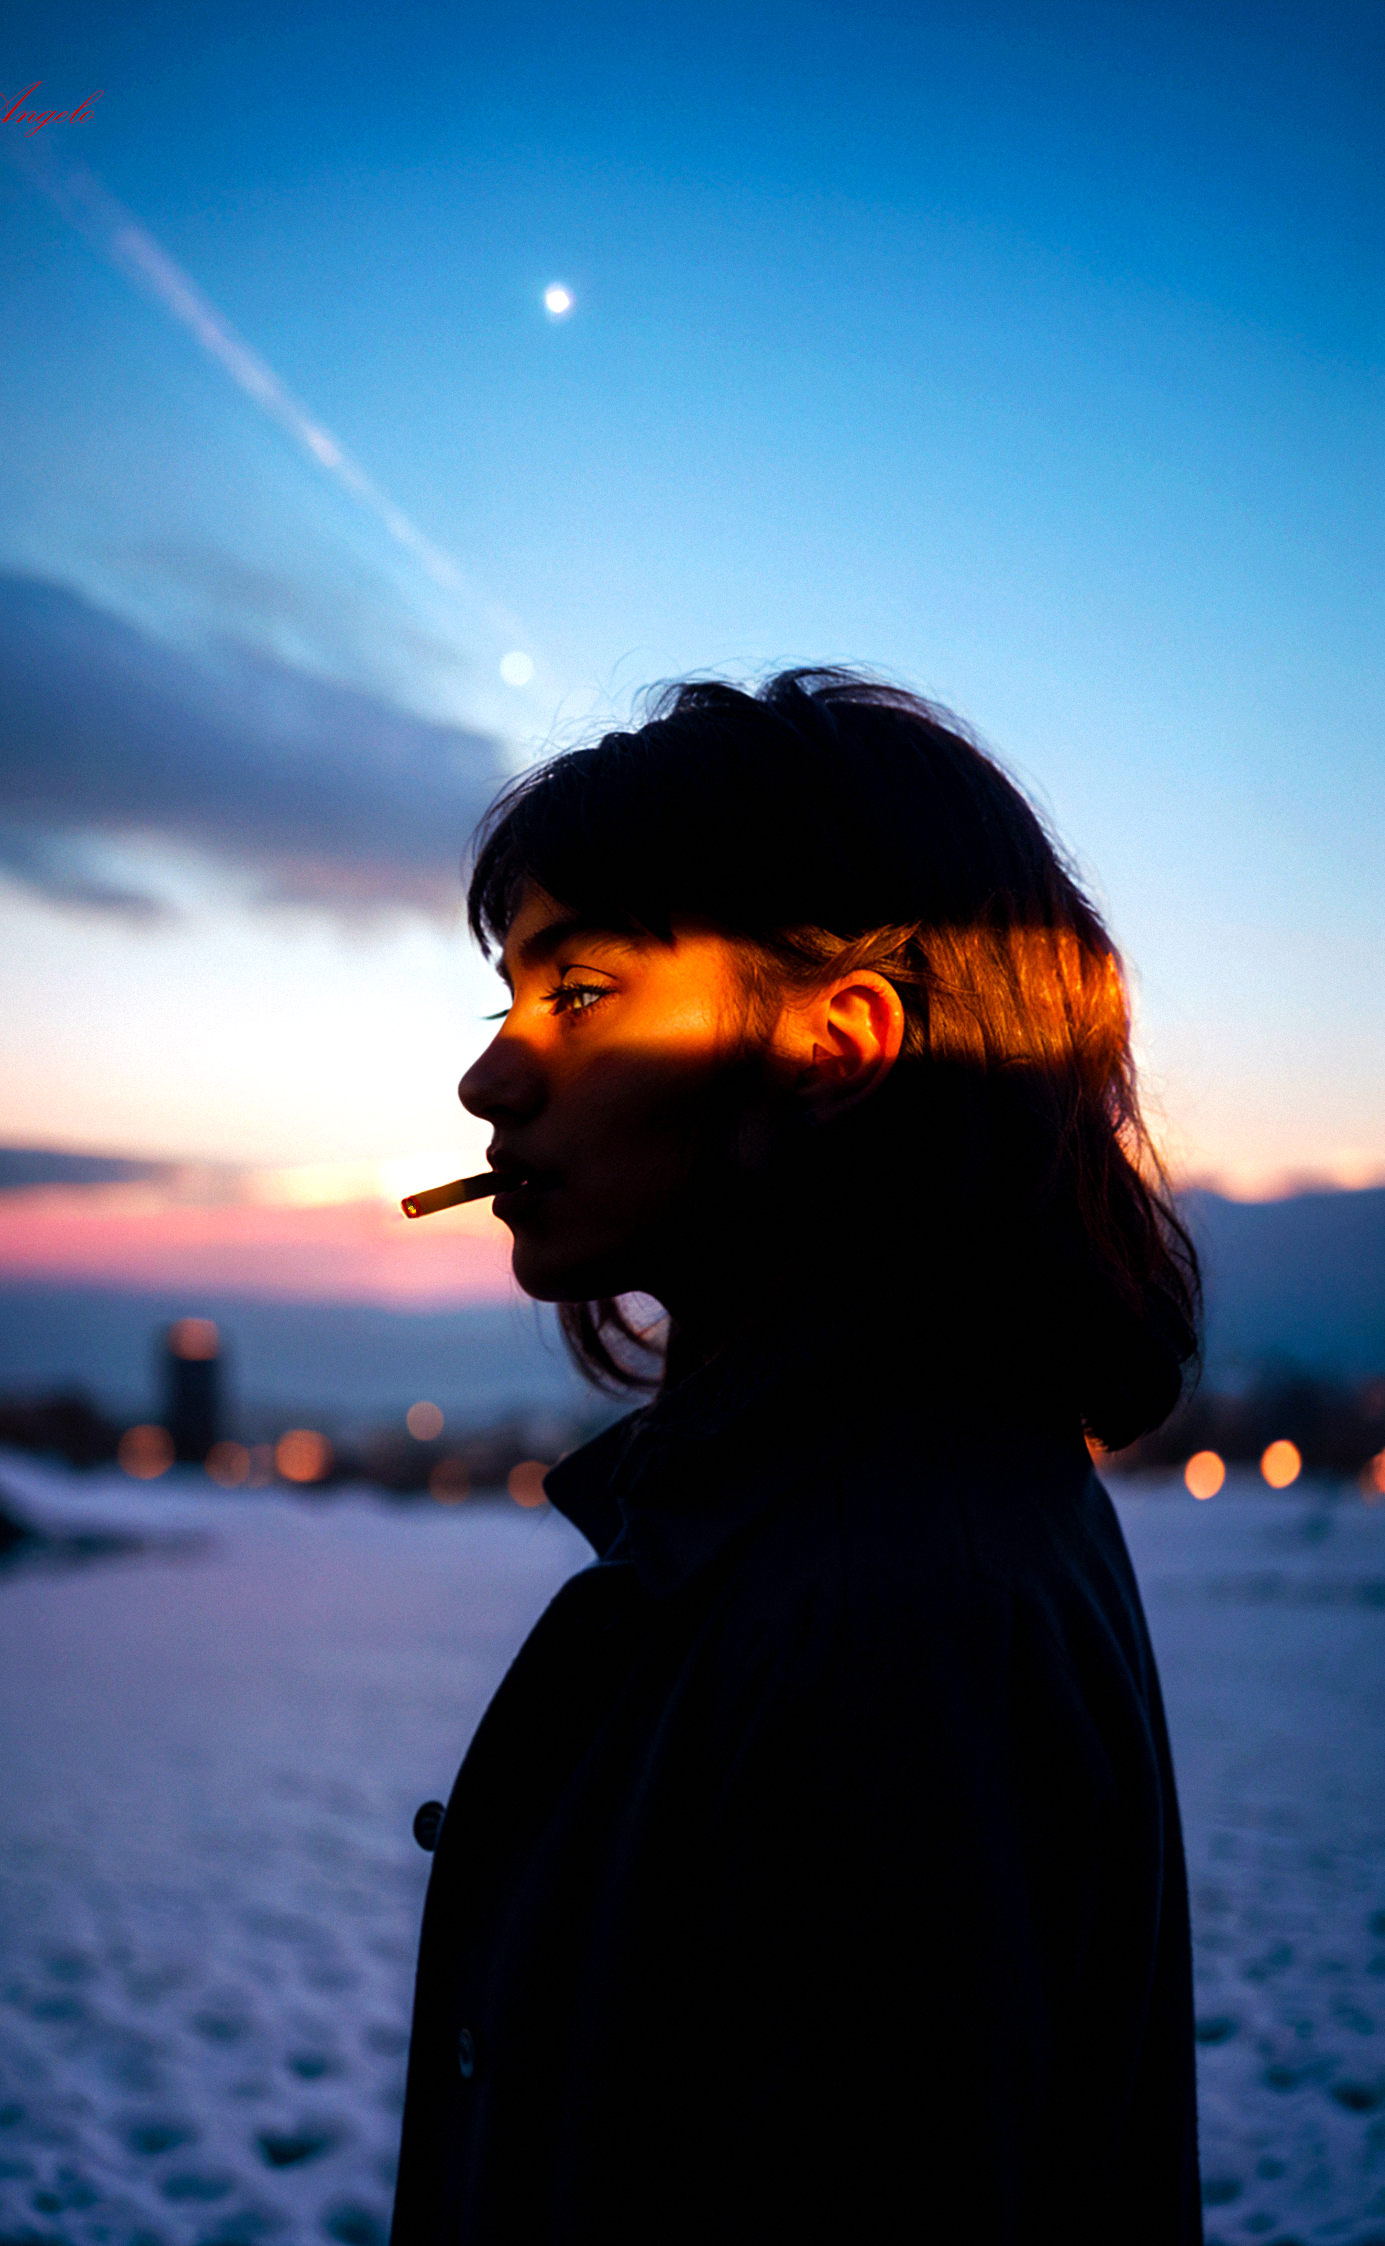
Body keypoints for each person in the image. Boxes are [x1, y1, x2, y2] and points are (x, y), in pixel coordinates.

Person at [389, 669, 1203, 2244]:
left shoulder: (887, 1612)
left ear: (837, 1044)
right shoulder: (870, 1522)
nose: (489, 1077)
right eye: (506, 1002)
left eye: (577, 994)